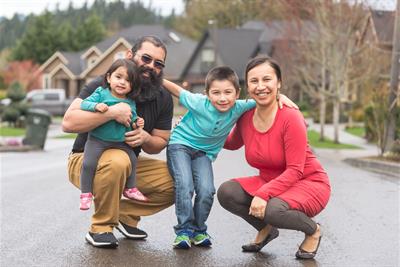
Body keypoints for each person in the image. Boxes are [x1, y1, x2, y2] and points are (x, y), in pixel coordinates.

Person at [163, 67, 298, 249]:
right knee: (185, 185)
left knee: (207, 190)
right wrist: (158, 79)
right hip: (180, 145)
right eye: (216, 93)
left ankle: (199, 230)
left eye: (228, 92)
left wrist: (280, 96)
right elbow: (178, 91)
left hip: (203, 153)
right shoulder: (198, 102)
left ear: (237, 94)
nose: (222, 98)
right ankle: (184, 231)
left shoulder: (240, 107)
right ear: (207, 94)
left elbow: (261, 100)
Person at [62, 36, 174, 248]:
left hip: (128, 163)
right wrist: (110, 113)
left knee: (179, 179)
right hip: (86, 159)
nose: (151, 66)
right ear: (130, 56)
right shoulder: (106, 84)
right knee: (119, 160)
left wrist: (146, 138)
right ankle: (101, 227)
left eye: (158, 64)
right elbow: (68, 122)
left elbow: (161, 141)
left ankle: (124, 215)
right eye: (146, 58)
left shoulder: (162, 97)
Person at [217, 55, 331, 259]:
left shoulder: (290, 117)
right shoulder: (246, 115)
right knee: (227, 192)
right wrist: (201, 131)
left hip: (307, 181)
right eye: (254, 81)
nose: (261, 86)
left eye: (267, 79)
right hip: (271, 181)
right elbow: (232, 143)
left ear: (279, 83)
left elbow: (296, 170)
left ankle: (313, 231)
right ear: (248, 86)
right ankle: (267, 229)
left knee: (273, 210)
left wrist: (263, 194)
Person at [79, 59, 148, 211]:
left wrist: (138, 122)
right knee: (88, 164)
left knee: (132, 160)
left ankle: (130, 188)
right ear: (109, 78)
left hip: (120, 142)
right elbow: (83, 104)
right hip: (98, 139)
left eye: (128, 80)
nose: (122, 82)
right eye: (119, 77)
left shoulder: (130, 101)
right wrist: (96, 106)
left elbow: (132, 119)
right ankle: (85, 194)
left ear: (132, 86)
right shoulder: (100, 93)